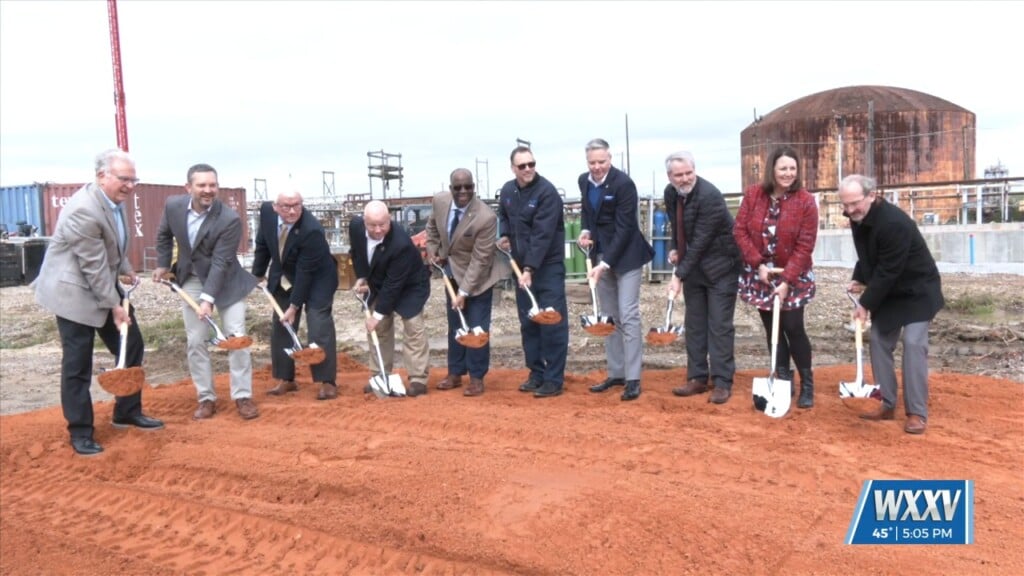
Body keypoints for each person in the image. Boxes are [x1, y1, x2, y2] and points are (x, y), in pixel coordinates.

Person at [34, 149, 164, 456]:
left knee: (131, 344)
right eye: (124, 179)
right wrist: (115, 306)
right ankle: (80, 431)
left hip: (101, 284)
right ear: (102, 176)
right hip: (73, 293)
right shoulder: (84, 210)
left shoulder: (113, 202)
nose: (130, 186)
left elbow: (111, 249)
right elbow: (91, 264)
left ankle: (126, 411)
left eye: (134, 180)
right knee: (78, 363)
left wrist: (126, 269)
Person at [153, 163, 259, 420]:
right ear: (188, 187)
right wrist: (163, 264)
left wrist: (207, 300)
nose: (208, 190)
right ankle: (206, 398)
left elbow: (221, 262)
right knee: (195, 340)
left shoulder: (229, 219)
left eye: (212, 185)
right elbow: (164, 235)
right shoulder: (173, 206)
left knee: (236, 337)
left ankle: (242, 395)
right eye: (201, 185)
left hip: (228, 282)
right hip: (191, 277)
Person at [839, 174, 944, 434]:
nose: (850, 210)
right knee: (878, 341)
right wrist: (859, 277)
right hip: (891, 291)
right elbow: (868, 254)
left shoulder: (892, 223)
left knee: (913, 344)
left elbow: (888, 270)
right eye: (846, 204)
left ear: (872, 195)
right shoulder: (857, 218)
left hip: (917, 290)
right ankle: (887, 402)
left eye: (855, 203)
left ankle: (917, 412)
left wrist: (863, 304)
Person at [734, 145, 819, 408]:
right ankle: (782, 378)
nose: (788, 173)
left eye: (793, 168)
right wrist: (758, 264)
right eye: (783, 168)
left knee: (793, 328)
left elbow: (806, 244)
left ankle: (807, 382)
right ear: (772, 169)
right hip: (761, 275)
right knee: (773, 328)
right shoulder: (753, 195)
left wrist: (786, 280)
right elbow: (739, 231)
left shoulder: (805, 201)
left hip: (792, 274)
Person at [576, 138, 653, 401]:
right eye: (592, 162)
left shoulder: (623, 184)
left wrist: (605, 264)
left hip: (627, 256)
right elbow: (588, 213)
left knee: (628, 314)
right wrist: (586, 232)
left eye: (602, 161)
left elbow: (625, 228)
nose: (597, 167)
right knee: (609, 316)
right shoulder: (584, 181)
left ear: (610, 158)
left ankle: (633, 378)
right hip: (601, 256)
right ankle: (616, 372)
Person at [663, 151, 743, 404]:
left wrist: (678, 275)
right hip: (696, 268)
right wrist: (675, 248)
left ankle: (722, 382)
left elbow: (700, 242)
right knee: (695, 324)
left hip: (722, 267)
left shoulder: (710, 196)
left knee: (719, 325)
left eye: (689, 173)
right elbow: (677, 226)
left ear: (694, 170)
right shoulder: (670, 193)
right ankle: (697, 377)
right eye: (679, 175)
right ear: (670, 176)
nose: (685, 178)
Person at [425, 169, 506, 397]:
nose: (463, 192)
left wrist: (463, 292)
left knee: (477, 328)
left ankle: (477, 377)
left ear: (473, 187)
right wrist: (433, 251)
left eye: (468, 187)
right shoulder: (440, 202)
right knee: (455, 324)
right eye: (458, 187)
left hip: (479, 278)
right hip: (452, 271)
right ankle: (455, 372)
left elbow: (481, 260)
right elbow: (431, 228)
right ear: (451, 189)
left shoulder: (485, 217)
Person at [252, 190, 339, 400]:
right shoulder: (266, 213)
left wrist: (294, 306)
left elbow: (305, 272)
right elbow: (263, 244)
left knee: (319, 324)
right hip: (284, 273)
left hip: (317, 277)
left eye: (297, 205)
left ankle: (327, 381)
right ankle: (286, 378)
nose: (292, 211)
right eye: (286, 206)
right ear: (275, 207)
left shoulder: (312, 230)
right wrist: (257, 273)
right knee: (282, 324)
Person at [497, 146, 569, 398]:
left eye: (531, 164)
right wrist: (504, 234)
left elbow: (542, 236)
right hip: (522, 268)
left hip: (546, 268)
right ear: (513, 168)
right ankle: (536, 373)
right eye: (522, 166)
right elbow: (503, 215)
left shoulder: (547, 193)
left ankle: (553, 379)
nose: (528, 169)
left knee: (551, 321)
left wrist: (529, 269)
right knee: (529, 322)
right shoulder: (507, 191)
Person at [349, 200, 431, 397]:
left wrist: (376, 316)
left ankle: (418, 379)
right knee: (379, 330)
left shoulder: (400, 243)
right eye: (372, 225)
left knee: (413, 328)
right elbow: (358, 253)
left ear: (390, 219)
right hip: (378, 280)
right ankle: (380, 375)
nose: (378, 230)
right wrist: (362, 277)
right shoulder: (355, 226)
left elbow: (393, 286)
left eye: (383, 224)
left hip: (410, 285)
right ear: (364, 221)